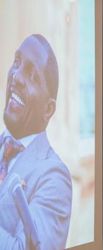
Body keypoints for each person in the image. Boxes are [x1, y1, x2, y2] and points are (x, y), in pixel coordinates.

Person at [0, 34, 72, 249]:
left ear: (48, 109)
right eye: (17, 62)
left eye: (32, 75)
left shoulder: (54, 178)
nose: (17, 76)